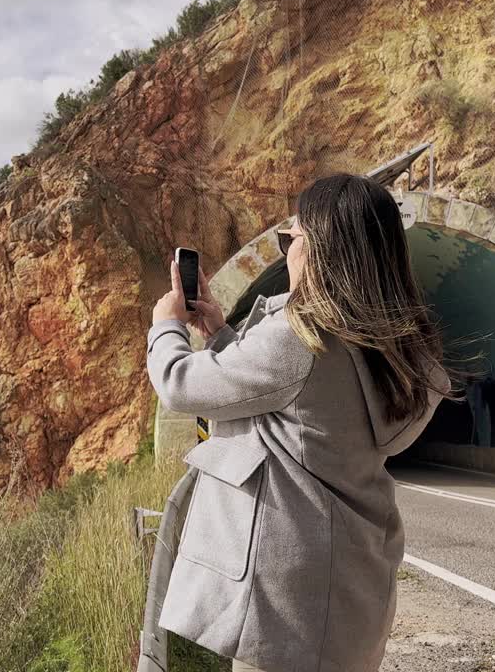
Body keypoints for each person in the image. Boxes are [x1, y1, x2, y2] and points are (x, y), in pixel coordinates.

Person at [145, 172, 455, 672]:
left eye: (291, 238)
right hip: (350, 598)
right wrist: (223, 336)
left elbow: (181, 384)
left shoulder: (302, 338)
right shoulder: (387, 347)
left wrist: (165, 326)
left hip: (287, 612)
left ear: (315, 249)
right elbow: (297, 409)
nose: (287, 250)